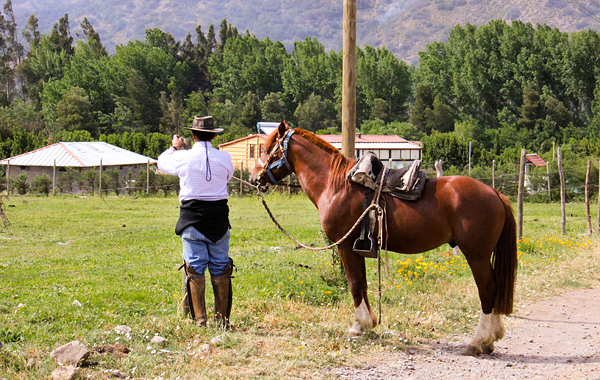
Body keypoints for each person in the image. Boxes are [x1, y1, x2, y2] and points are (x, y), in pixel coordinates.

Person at [157, 116, 235, 328]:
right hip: (219, 220)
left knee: (194, 270)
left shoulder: (183, 157)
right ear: (214, 135)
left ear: (193, 135)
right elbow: (228, 176)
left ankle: (200, 321)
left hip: (192, 220)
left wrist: (174, 147)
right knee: (221, 269)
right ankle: (222, 321)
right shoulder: (225, 158)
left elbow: (162, 163)